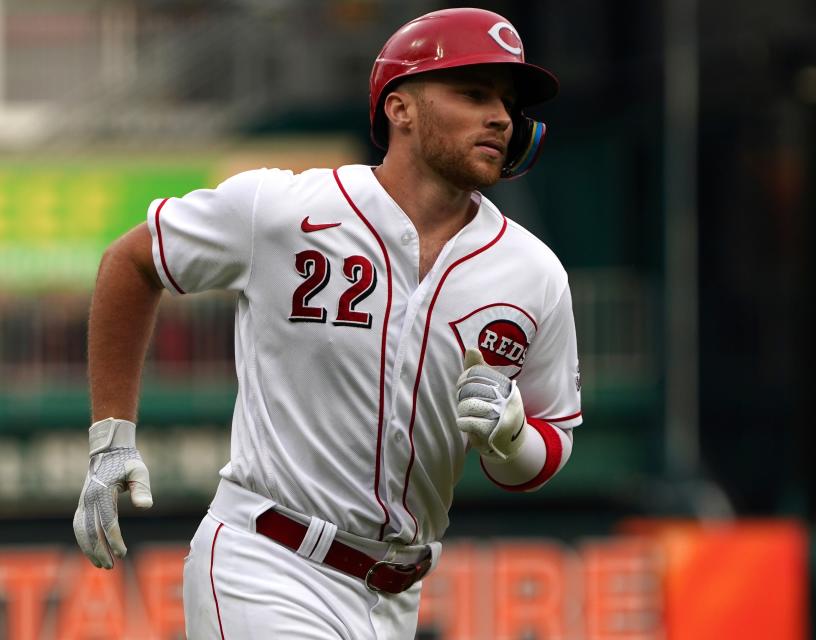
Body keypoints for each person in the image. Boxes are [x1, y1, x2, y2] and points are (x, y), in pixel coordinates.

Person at [73, 7, 582, 638]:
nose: (501, 117)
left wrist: (510, 437)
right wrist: (110, 441)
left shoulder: (533, 273)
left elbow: (548, 443)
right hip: (266, 561)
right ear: (400, 108)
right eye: (473, 93)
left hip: (395, 597)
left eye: (507, 101)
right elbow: (132, 261)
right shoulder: (281, 209)